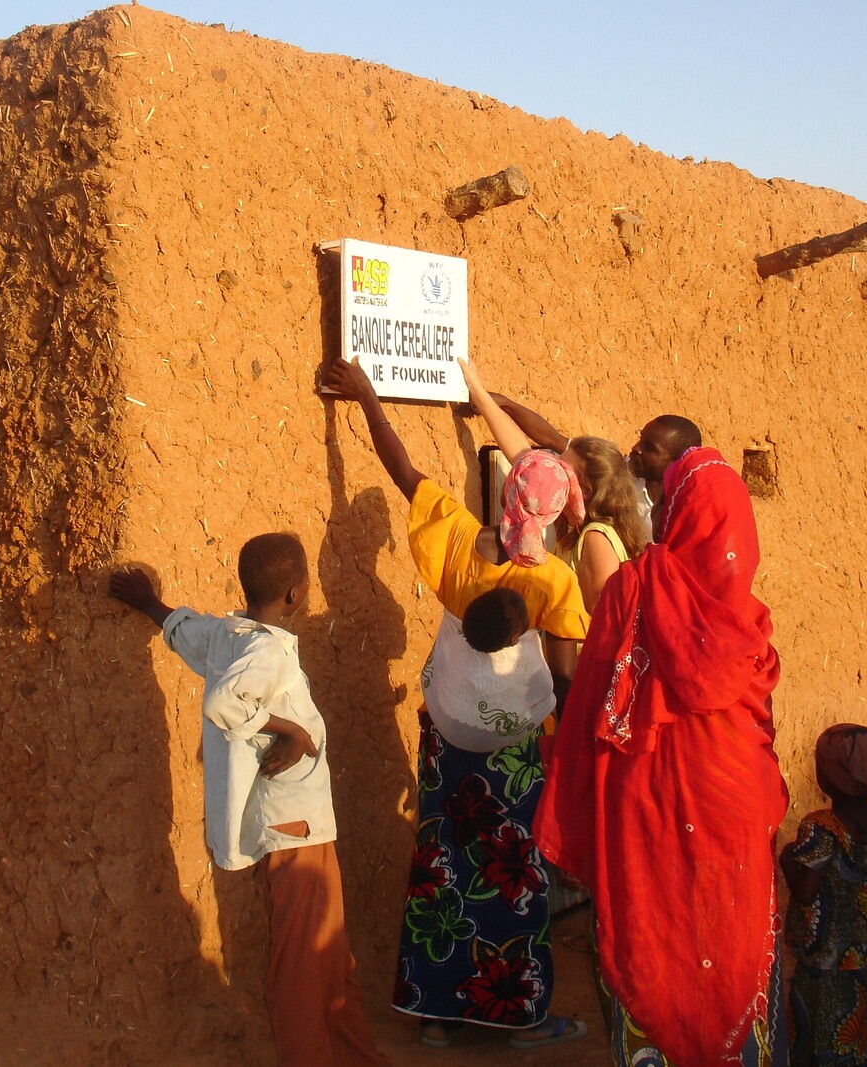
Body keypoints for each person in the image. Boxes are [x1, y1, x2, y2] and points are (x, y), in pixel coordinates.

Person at [324, 357, 590, 1051]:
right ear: (555, 515)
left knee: (440, 864)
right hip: (514, 761)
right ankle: (517, 1015)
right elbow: (562, 683)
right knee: (512, 880)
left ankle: (435, 1012)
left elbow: (401, 466)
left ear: (505, 498)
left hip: (447, 738)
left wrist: (364, 395)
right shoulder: (557, 582)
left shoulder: (453, 539)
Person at [535, 421, 788, 1065]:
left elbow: (591, 705)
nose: (638, 458)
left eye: (649, 450)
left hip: (648, 830)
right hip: (735, 830)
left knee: (658, 939)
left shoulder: (636, 593)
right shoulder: (749, 634)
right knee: (733, 949)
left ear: (678, 512)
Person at [108, 534, 390, 1067]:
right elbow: (223, 701)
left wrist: (149, 603)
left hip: (303, 828)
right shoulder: (266, 650)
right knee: (303, 968)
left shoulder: (233, 636)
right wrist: (292, 732)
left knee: (331, 961)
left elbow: (185, 631)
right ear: (297, 593)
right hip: (294, 828)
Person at [457, 358, 648, 608]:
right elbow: (522, 454)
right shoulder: (576, 526)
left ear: (586, 491)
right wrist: (479, 393)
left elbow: (600, 619)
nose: (548, 472)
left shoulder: (596, 538)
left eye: (560, 469)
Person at [780, 724, 867, 1067]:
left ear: (829, 776)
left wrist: (787, 860)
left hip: (825, 960)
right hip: (866, 954)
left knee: (820, 1039)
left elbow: (806, 892)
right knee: (862, 1036)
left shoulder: (821, 827)